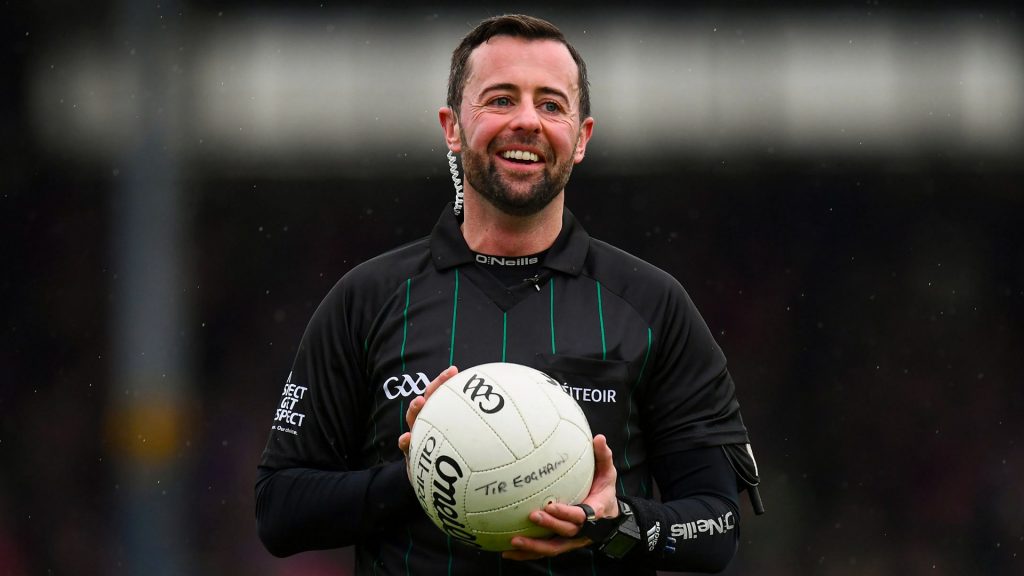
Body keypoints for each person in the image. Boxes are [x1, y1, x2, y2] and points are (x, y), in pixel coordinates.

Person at [256, 14, 762, 575]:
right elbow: (280, 510)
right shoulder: (366, 299)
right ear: (452, 126)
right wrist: (420, 478)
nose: (527, 121)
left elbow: (717, 527)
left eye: (551, 105)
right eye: (500, 99)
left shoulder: (652, 304)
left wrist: (617, 525)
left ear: (582, 138)